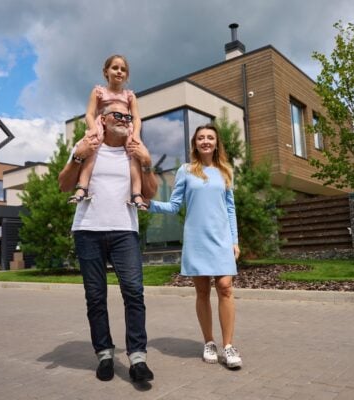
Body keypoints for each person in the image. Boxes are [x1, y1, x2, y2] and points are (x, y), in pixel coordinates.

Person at [58, 102, 158, 383]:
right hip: (88, 230)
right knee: (96, 296)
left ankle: (138, 357)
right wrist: (78, 156)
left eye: (129, 116)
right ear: (102, 119)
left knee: (134, 293)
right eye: (119, 115)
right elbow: (63, 185)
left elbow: (149, 191)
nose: (125, 119)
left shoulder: (134, 149)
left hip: (125, 230)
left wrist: (146, 160)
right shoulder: (87, 145)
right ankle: (104, 353)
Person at [146, 124, 243, 369]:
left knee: (225, 287)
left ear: (216, 142)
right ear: (195, 143)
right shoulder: (186, 170)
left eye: (210, 137)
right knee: (202, 292)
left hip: (221, 239)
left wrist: (234, 240)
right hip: (197, 239)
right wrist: (150, 204)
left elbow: (230, 209)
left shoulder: (225, 172)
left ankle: (228, 346)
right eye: (201, 138)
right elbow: (174, 205)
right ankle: (209, 342)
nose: (206, 141)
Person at [68, 54, 146, 208]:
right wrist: (92, 130)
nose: (119, 72)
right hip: (102, 125)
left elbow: (136, 118)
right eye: (115, 68)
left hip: (125, 127)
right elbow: (90, 113)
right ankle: (82, 187)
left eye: (123, 69)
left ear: (127, 75)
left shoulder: (129, 96)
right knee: (93, 147)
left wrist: (135, 134)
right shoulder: (98, 91)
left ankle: (136, 193)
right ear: (106, 72)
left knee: (134, 152)